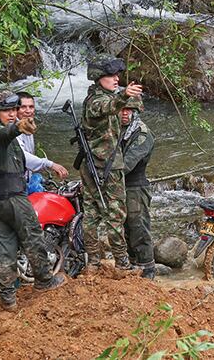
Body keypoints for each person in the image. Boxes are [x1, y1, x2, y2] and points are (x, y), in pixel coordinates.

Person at [0, 90, 64, 310]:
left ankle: (8, 298)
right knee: (33, 237)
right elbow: (4, 133)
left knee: (5, 249)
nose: (11, 113)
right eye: (6, 110)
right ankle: (45, 280)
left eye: (12, 109)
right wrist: (17, 127)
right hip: (14, 198)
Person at [81, 54, 143, 270]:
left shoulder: (95, 97)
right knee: (114, 214)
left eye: (117, 74)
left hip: (90, 165)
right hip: (107, 165)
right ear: (99, 77)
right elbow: (109, 106)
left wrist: (126, 97)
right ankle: (121, 262)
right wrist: (124, 95)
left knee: (91, 214)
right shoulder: (98, 101)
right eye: (110, 75)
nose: (116, 78)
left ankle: (94, 262)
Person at [119, 97, 158, 279]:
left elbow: (127, 163)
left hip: (136, 187)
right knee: (127, 228)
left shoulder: (142, 134)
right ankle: (134, 263)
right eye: (122, 109)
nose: (124, 113)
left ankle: (148, 269)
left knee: (139, 229)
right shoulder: (120, 131)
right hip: (122, 186)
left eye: (128, 110)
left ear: (135, 112)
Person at [15, 91, 69, 193]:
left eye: (31, 107)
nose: (28, 111)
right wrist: (49, 164)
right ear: (15, 109)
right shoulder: (12, 128)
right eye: (23, 107)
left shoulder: (27, 125)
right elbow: (22, 156)